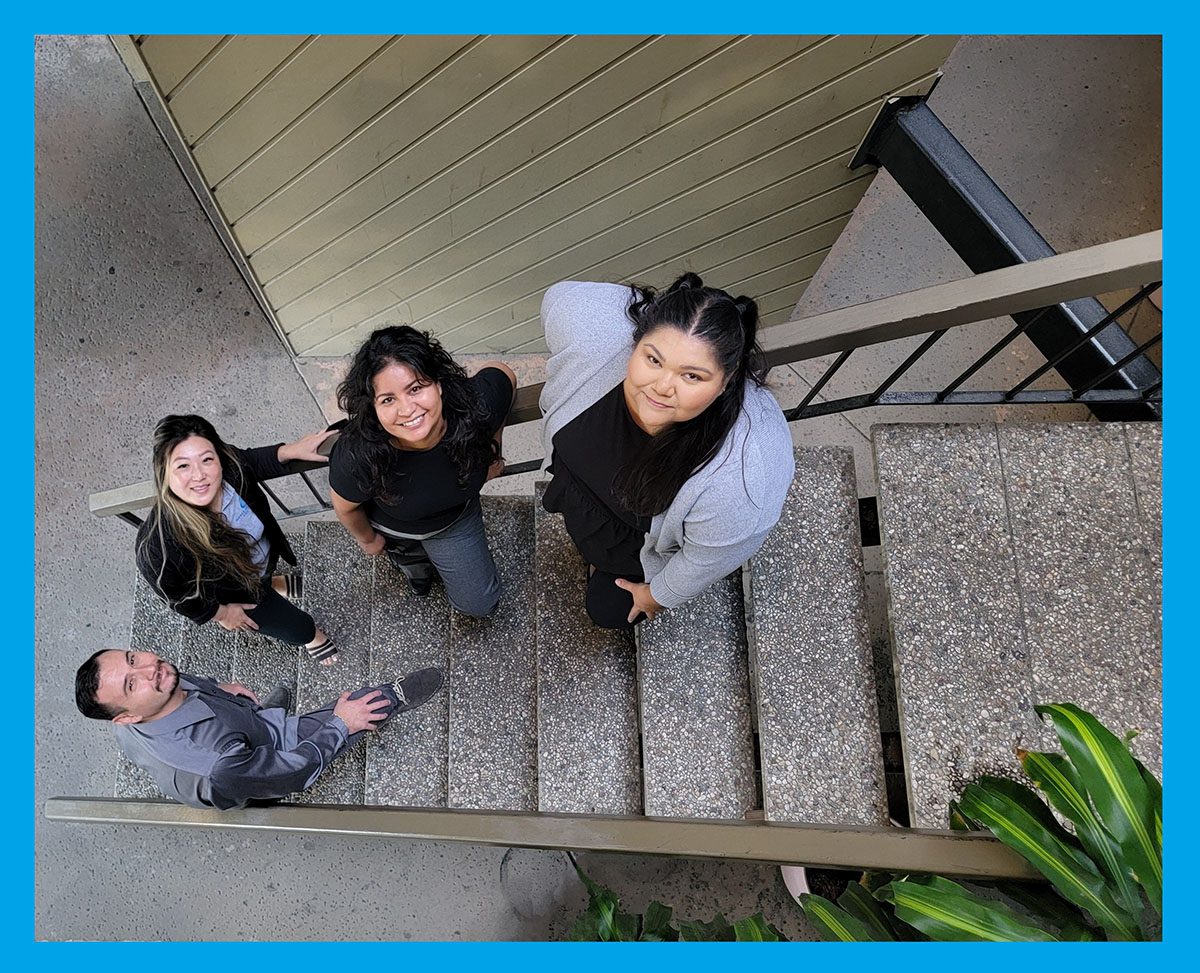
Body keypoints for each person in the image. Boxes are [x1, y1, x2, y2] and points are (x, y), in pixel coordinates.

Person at [539, 273, 795, 629]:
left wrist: (658, 594)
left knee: (607, 610)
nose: (661, 387)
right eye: (654, 359)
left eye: (692, 376)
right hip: (581, 498)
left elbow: (710, 559)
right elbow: (559, 297)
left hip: (638, 547)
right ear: (636, 340)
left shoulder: (740, 483)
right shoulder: (593, 330)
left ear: (727, 379)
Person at [74, 648, 443, 810]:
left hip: (242, 740)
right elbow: (293, 771)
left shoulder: (140, 706)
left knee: (249, 722)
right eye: (130, 684)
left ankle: (260, 716)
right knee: (349, 714)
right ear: (125, 717)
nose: (147, 670)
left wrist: (221, 691)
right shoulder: (215, 763)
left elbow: (178, 684)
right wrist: (341, 724)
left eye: (133, 659)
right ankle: (387, 699)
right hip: (257, 768)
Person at [328, 326, 516, 616]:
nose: (408, 410)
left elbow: (503, 372)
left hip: (454, 522)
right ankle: (412, 563)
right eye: (388, 399)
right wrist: (367, 539)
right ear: (373, 406)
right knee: (416, 573)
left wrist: (492, 448)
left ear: (438, 383)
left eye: (416, 388)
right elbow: (345, 506)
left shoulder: (474, 410)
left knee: (479, 605)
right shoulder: (359, 454)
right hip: (394, 528)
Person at [136, 414, 341, 666]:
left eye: (207, 460)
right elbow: (178, 596)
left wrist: (290, 451)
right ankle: (312, 638)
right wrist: (220, 613)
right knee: (297, 628)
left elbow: (249, 461)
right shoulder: (158, 549)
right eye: (183, 466)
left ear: (219, 458)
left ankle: (272, 583)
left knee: (264, 574)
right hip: (237, 592)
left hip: (260, 560)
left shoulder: (230, 467)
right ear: (164, 473)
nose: (199, 475)